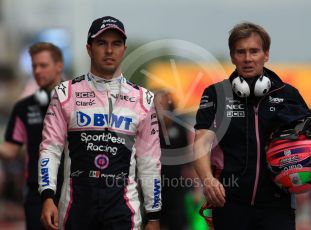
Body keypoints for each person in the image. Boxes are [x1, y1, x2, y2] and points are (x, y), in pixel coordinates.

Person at [193, 22, 311, 230]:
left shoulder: (288, 94)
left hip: (277, 206)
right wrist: (207, 180)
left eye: (254, 51)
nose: (247, 58)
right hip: (229, 203)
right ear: (233, 57)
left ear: (266, 54)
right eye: (240, 52)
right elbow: (200, 142)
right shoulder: (216, 94)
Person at [38, 16, 162, 230]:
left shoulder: (144, 99)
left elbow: (150, 162)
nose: (109, 50)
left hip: (123, 208)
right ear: (89, 48)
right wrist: (47, 196)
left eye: (116, 44)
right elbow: (50, 148)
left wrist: (153, 215)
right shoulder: (66, 93)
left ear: (124, 49)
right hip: (76, 207)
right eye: (101, 43)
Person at [0, 42, 64, 230]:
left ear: (59, 65)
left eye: (43, 65)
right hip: (36, 193)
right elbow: (11, 150)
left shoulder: (77, 103)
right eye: (34, 66)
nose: (37, 71)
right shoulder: (23, 107)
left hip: (72, 192)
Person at [154, 90, 189, 230]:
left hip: (176, 184)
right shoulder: (149, 127)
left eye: (164, 103)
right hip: (154, 185)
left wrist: (197, 189)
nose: (161, 107)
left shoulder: (179, 127)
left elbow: (188, 158)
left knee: (178, 222)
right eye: (157, 103)